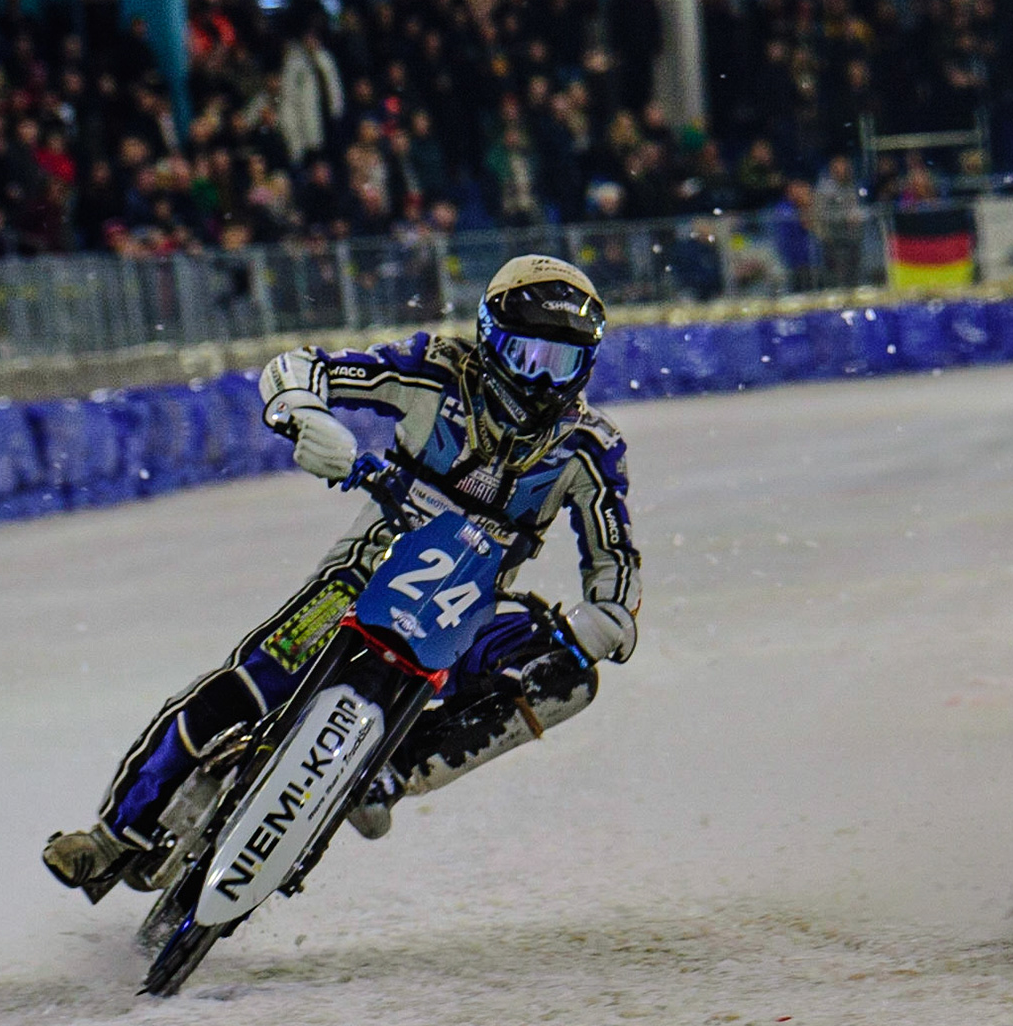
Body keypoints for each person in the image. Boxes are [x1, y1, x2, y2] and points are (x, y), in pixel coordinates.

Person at [43, 256, 641, 892]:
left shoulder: (590, 447)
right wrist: (308, 415)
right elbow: (303, 368)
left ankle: (393, 773)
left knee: (567, 675)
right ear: (490, 339)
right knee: (243, 688)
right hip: (363, 574)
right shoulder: (435, 368)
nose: (541, 380)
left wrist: (608, 617)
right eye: (527, 356)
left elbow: (615, 554)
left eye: (561, 362)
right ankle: (111, 837)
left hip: (469, 612)